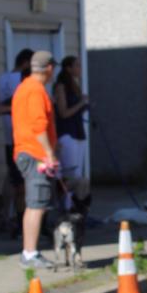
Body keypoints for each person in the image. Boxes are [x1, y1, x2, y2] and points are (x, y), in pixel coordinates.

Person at [11, 50, 58, 268]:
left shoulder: (24, 87)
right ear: (49, 68)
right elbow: (39, 126)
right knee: (37, 204)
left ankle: (29, 252)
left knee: (34, 203)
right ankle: (30, 253)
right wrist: (49, 153)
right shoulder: (36, 90)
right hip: (35, 153)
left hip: (25, 151)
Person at [0, 47, 33, 233]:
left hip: (8, 135)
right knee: (22, 182)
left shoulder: (2, 78)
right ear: (26, 63)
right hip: (22, 136)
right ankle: (20, 217)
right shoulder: (23, 80)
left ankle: (5, 214)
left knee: (11, 177)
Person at [53, 56, 90, 208]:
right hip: (67, 134)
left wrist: (85, 105)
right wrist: (81, 103)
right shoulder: (60, 87)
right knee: (71, 174)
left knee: (79, 174)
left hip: (78, 132)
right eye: (77, 66)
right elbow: (63, 113)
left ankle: (76, 207)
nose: (80, 69)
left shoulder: (74, 85)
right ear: (68, 68)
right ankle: (66, 207)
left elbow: (76, 110)